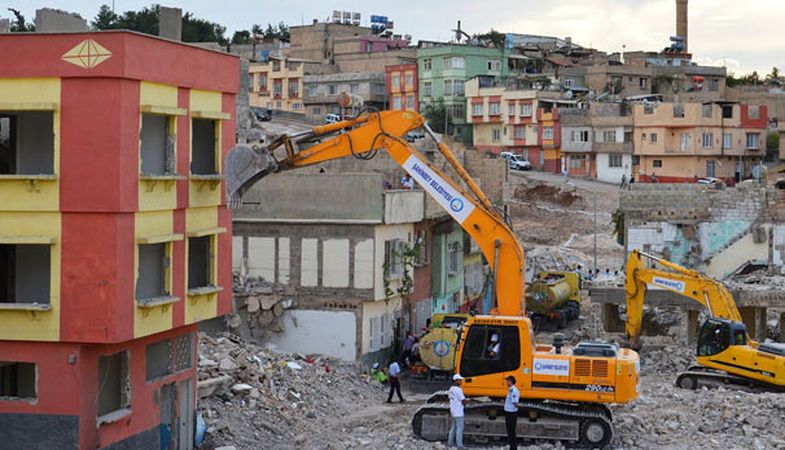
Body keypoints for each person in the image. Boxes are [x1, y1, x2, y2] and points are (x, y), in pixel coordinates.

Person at [448, 374, 468, 448]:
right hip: (459, 412)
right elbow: (463, 400)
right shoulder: (458, 390)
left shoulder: (451, 389)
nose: (461, 381)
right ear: (456, 381)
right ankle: (460, 446)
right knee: (459, 429)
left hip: (453, 411)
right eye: (460, 380)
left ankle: (450, 444)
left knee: (453, 428)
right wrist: (467, 402)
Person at [504, 375, 520, 450]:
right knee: (510, 431)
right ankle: (512, 447)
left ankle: (513, 448)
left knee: (511, 432)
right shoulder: (511, 389)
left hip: (511, 413)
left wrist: (516, 408)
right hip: (510, 412)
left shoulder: (513, 390)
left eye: (508, 381)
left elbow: (515, 402)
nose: (507, 382)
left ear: (511, 382)